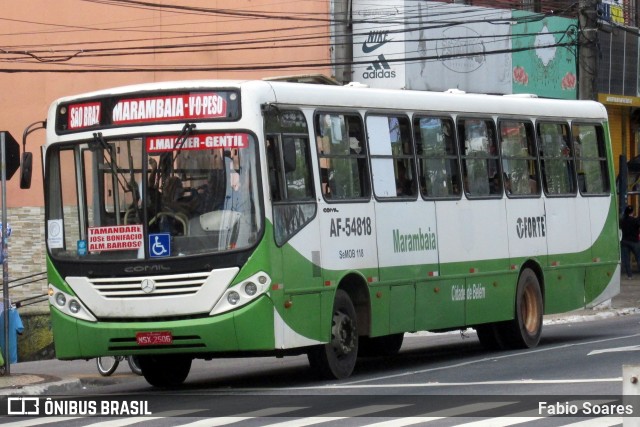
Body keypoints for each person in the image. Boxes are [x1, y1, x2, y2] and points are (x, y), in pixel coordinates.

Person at [620, 205, 640, 279]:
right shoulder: (635, 220)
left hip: (625, 241)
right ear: (632, 212)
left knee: (626, 260)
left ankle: (629, 276)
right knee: (638, 258)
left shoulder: (622, 221)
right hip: (635, 242)